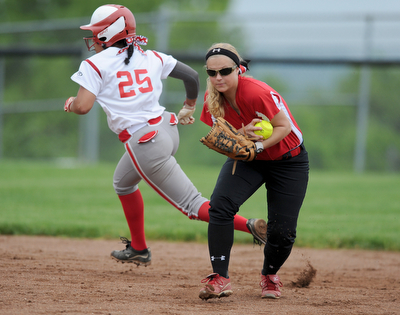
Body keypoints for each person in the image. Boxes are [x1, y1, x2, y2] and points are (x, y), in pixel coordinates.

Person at [64, 5, 267, 267]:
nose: (92, 39)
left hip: (145, 141)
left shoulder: (94, 63)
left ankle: (251, 225)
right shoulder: (149, 56)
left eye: (96, 33)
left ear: (107, 34)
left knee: (193, 204)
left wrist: (70, 103)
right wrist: (190, 105)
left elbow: (82, 107)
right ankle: (138, 248)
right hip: (167, 129)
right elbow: (191, 75)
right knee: (123, 183)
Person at [198, 43, 309, 300]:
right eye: (212, 73)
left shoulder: (257, 92)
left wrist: (257, 145)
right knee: (220, 206)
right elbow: (226, 139)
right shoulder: (212, 100)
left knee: (282, 232)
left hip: (288, 161)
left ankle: (270, 275)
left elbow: (284, 127)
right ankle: (220, 277)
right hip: (249, 159)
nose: (218, 78)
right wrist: (240, 136)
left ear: (239, 69)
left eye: (224, 71)